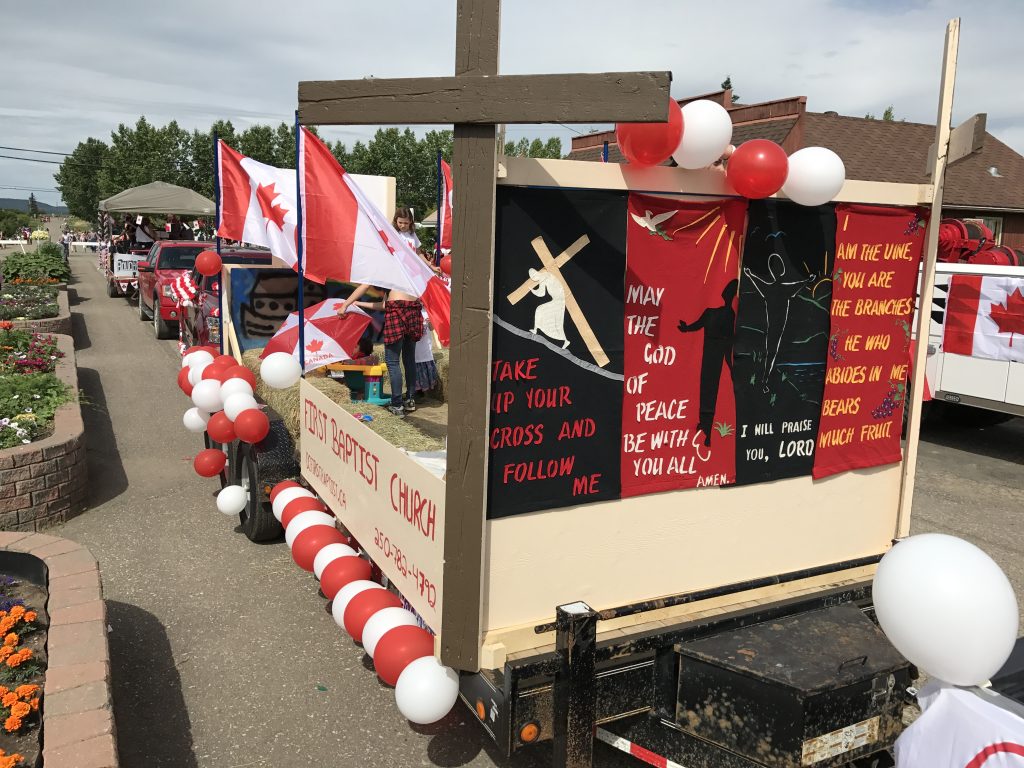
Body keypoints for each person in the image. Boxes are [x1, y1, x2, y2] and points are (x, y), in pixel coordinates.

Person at [338, 284, 422, 418]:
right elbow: (384, 305)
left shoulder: (385, 264)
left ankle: (397, 405)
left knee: (392, 361)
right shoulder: (407, 265)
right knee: (409, 358)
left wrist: (345, 305)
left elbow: (365, 285)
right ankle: (410, 400)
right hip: (413, 309)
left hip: (397, 310)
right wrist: (357, 303)